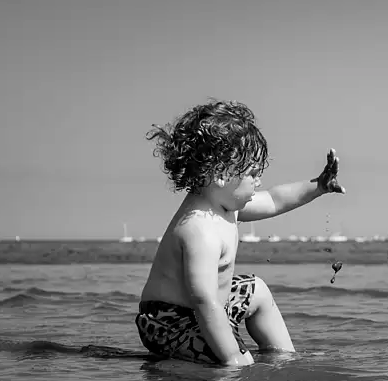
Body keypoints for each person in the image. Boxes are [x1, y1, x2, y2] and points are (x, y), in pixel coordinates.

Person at [135, 100, 345, 366]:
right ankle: (232, 364)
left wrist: (318, 187)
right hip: (170, 323)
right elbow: (203, 301)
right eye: (253, 173)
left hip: (209, 307)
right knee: (240, 363)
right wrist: (234, 357)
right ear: (221, 175)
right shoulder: (201, 230)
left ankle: (284, 355)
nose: (259, 181)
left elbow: (275, 200)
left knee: (257, 290)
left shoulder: (226, 204)